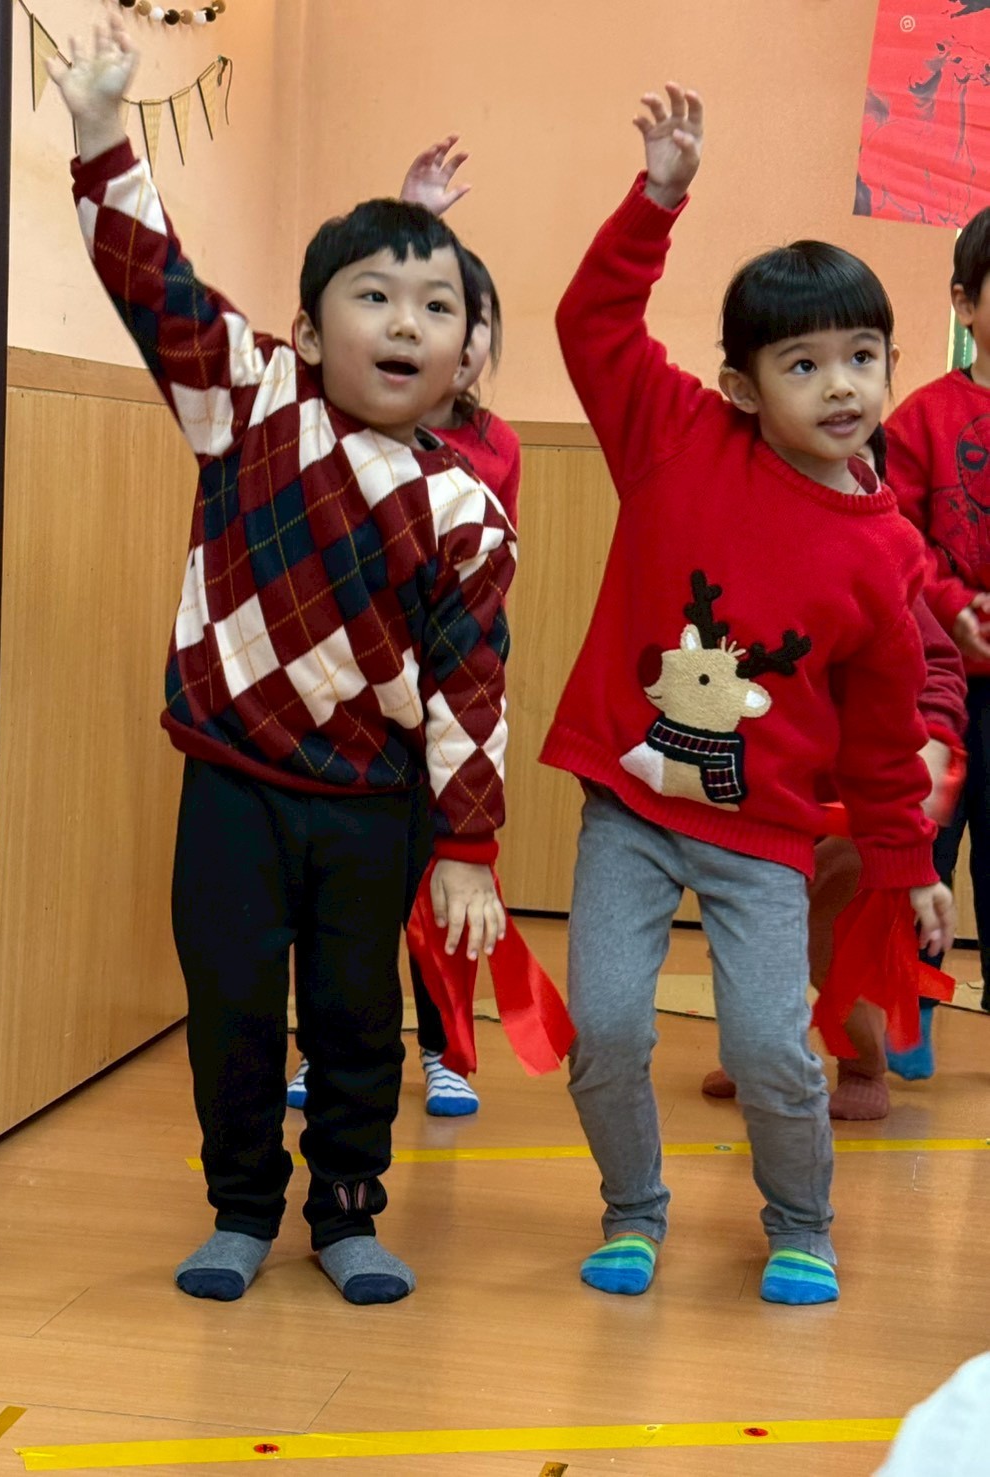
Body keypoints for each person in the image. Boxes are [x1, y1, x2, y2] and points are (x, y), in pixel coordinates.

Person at [47, 15, 514, 1306]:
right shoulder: (247, 402)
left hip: (374, 804)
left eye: (438, 307)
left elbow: (473, 693)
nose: (407, 323)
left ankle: (348, 1212)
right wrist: (102, 133)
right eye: (375, 297)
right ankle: (242, 1207)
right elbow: (156, 283)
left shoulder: (467, 508)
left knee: (358, 1019)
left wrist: (468, 844)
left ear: (466, 354)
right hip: (234, 786)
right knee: (235, 1008)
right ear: (307, 334)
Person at [544, 82, 955, 1306]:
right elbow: (590, 322)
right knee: (606, 1028)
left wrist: (907, 869)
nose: (841, 386)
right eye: (804, 364)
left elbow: (882, 740)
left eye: (863, 358)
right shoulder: (674, 437)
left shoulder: (886, 551)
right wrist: (657, 198)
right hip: (630, 806)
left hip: (763, 838)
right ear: (740, 387)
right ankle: (632, 1210)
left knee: (772, 1045)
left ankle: (801, 1223)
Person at [288, 140, 522, 1119]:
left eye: (457, 315)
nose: (424, 330)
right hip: (350, 714)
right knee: (343, 906)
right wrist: (411, 211)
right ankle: (333, 1043)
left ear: (475, 342)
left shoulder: (487, 451)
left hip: (440, 707)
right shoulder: (330, 423)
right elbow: (351, 297)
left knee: (444, 881)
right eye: (399, 307)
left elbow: (465, 593)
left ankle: (447, 1050)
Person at [702, 431, 967, 1120]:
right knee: (745, 932)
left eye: (847, 473)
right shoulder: (745, 552)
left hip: (858, 799)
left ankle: (862, 1061)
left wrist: (933, 738)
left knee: (834, 936)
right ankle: (762, 1050)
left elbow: (939, 667)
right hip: (768, 794)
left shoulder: (884, 559)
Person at [886, 204, 990, 1072]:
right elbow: (897, 539)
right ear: (965, 303)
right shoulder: (922, 417)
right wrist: (954, 605)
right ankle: (909, 1009)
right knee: (926, 841)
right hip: (940, 680)